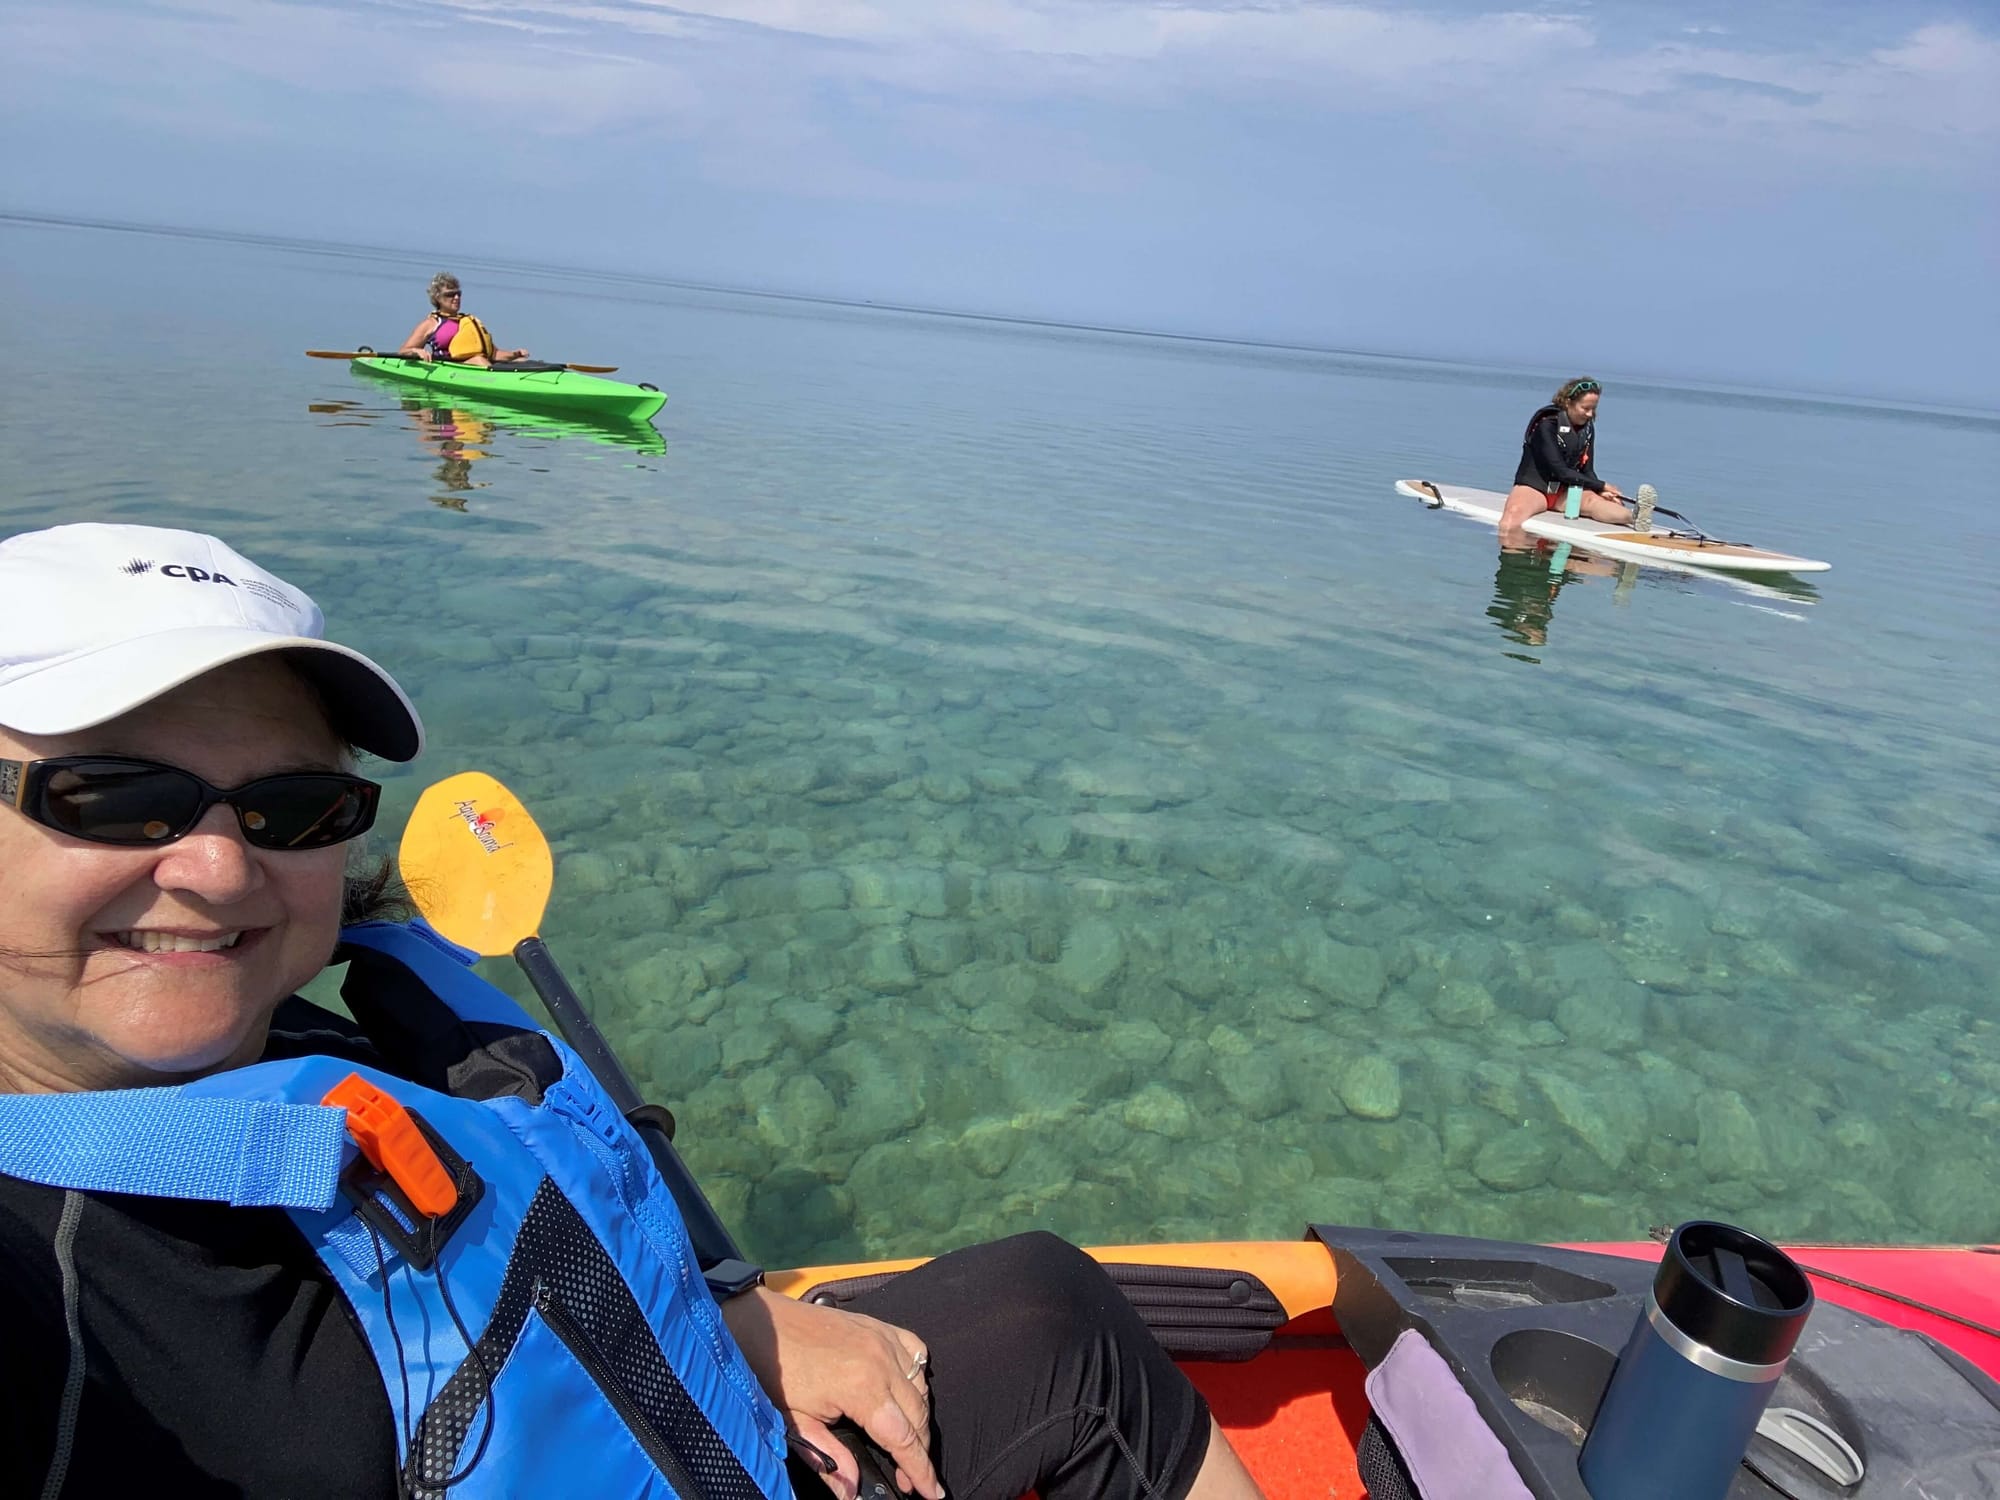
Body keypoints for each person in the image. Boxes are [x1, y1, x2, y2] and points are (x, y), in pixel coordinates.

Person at [0, 522, 1264, 1500]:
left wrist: (723, 1317)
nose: (222, 868)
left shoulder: (292, 1035)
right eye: (110, 796)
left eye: (290, 811)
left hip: (675, 1431)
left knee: (1050, 1308)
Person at [1498, 376, 1631, 540]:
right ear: (1568, 403)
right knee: (1510, 520)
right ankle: (1513, 561)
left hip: (1566, 493)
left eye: (1593, 409)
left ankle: (1636, 517)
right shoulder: (1546, 425)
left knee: (1619, 513)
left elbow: (1588, 471)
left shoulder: (1587, 430)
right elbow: (1560, 470)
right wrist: (1601, 485)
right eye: (1585, 408)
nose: (1590, 414)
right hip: (1535, 489)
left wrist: (1601, 491)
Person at [397, 272, 531, 367]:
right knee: (479, 360)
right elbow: (403, 351)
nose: (456, 297)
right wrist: (416, 351)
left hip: (481, 364)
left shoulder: (468, 322)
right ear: (437, 298)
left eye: (458, 294)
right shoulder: (430, 324)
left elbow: (494, 354)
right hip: (450, 367)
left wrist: (515, 354)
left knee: (521, 361)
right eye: (450, 295)